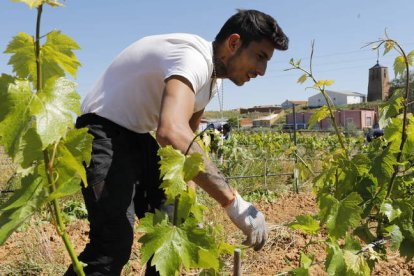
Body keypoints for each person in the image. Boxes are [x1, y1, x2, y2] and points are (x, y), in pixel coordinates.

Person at [65, 9, 289, 276]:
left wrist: (188, 189)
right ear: (234, 43)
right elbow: (171, 131)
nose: (262, 71)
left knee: (173, 219)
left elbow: (187, 140)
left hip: (136, 135)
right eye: (260, 57)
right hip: (101, 129)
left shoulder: (211, 82)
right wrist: (233, 202)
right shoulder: (192, 59)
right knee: (112, 244)